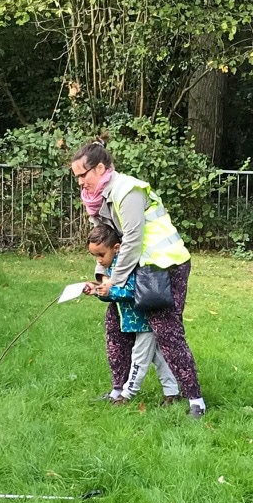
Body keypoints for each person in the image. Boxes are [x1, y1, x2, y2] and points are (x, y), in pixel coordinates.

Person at [70, 142, 206, 416]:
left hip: (165, 266)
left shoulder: (127, 190)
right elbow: (105, 243)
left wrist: (115, 282)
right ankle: (118, 391)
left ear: (100, 168)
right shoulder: (96, 200)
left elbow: (131, 240)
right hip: (136, 268)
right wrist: (102, 277)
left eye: (83, 175)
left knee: (166, 332)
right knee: (115, 326)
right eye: (77, 178)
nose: (81, 183)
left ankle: (195, 400)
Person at [89, 217, 180, 404]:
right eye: (94, 256)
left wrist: (110, 289)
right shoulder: (113, 266)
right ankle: (172, 392)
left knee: (139, 357)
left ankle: (127, 393)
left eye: (101, 254)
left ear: (116, 248)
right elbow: (114, 294)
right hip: (134, 321)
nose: (99, 260)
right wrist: (97, 291)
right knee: (158, 357)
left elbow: (133, 290)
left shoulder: (127, 265)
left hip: (144, 320)